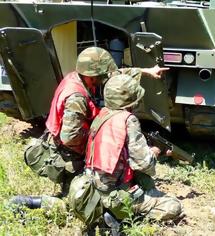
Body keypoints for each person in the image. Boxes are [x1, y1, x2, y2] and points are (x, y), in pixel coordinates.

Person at [11, 46, 169, 209]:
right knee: (86, 201)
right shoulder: (76, 98)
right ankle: (33, 202)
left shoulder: (78, 76)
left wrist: (147, 71)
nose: (105, 78)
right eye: (101, 75)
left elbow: (114, 76)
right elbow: (70, 138)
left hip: (66, 148)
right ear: (92, 75)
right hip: (66, 155)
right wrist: (98, 139)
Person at [69, 74, 183, 233]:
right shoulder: (128, 120)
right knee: (173, 206)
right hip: (113, 193)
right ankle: (118, 215)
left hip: (91, 186)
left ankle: (108, 212)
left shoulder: (102, 114)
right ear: (131, 100)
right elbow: (144, 164)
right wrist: (158, 151)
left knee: (143, 180)